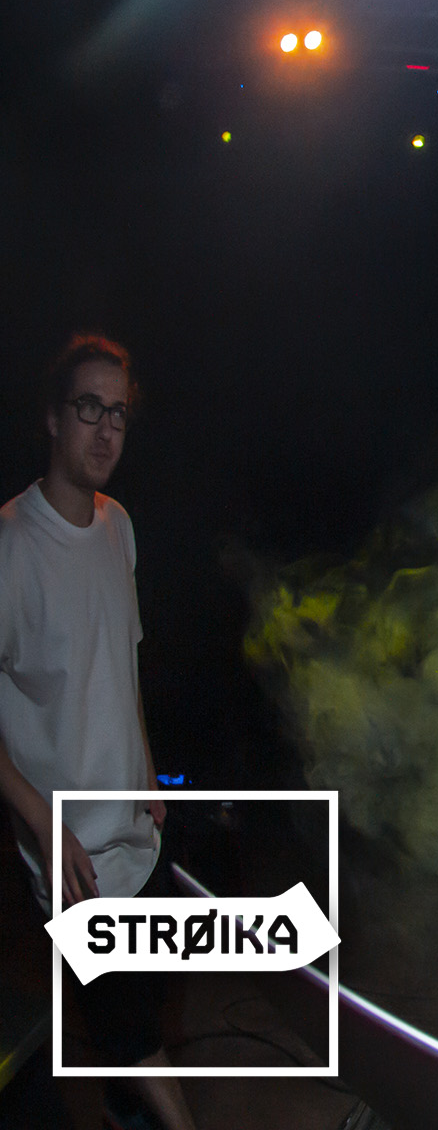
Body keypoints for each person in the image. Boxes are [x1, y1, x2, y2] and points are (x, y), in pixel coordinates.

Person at [0, 335, 197, 1130]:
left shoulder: (118, 525)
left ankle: (127, 1114)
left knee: (144, 1010)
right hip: (71, 856)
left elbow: (124, 659)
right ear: (53, 418)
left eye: (118, 413)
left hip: (135, 831)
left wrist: (146, 768)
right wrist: (43, 826)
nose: (107, 430)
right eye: (89, 408)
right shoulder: (11, 547)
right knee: (132, 1034)